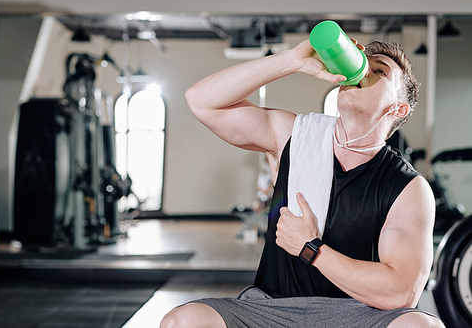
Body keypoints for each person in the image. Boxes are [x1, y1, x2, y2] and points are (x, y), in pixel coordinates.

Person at [161, 33, 445, 328]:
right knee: (183, 321)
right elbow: (202, 101)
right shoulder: (293, 136)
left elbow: (402, 292)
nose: (361, 72)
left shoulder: (408, 188)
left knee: (422, 326)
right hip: (271, 308)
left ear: (398, 109)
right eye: (363, 64)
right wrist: (293, 60)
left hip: (355, 314)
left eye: (379, 71)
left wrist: (312, 249)